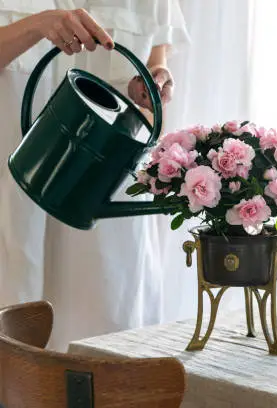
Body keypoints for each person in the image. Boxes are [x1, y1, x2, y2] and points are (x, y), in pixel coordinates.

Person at [0, 1, 189, 350]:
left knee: (110, 337)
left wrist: (153, 83)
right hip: (14, 183)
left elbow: (155, 63)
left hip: (105, 191)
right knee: (15, 333)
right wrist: (37, 25)